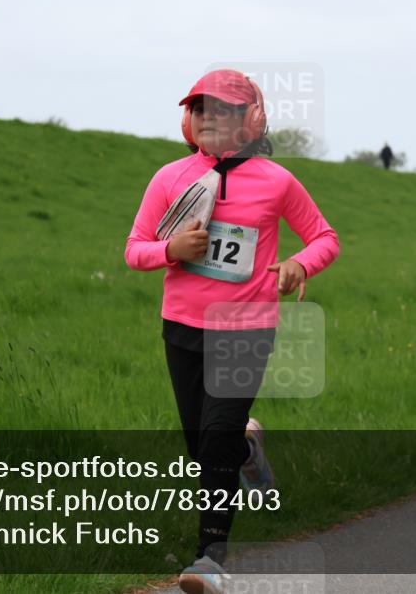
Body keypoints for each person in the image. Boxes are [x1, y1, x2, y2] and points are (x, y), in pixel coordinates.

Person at [124, 69, 340, 593]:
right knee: (203, 447)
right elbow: (134, 250)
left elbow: (324, 237)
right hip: (181, 327)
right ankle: (248, 452)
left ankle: (210, 562)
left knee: (216, 438)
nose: (207, 117)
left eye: (221, 109)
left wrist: (300, 264)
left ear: (251, 119)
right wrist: (170, 250)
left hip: (246, 327)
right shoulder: (169, 178)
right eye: (199, 108)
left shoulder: (276, 181)